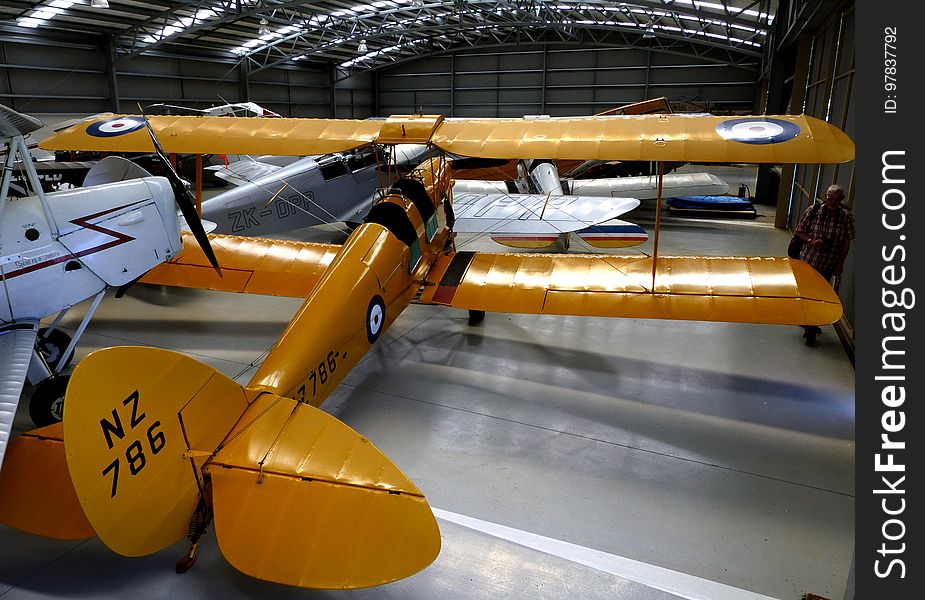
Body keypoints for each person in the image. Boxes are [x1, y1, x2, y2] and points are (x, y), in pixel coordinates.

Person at [793, 184, 855, 346]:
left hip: (828, 263)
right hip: (808, 260)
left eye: (836, 200)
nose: (832, 202)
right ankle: (810, 325)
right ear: (825, 197)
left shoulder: (846, 217)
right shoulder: (813, 211)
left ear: (841, 200)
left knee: (820, 295)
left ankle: (812, 324)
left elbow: (846, 242)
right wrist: (811, 241)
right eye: (830, 199)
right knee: (809, 293)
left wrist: (840, 264)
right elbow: (799, 231)